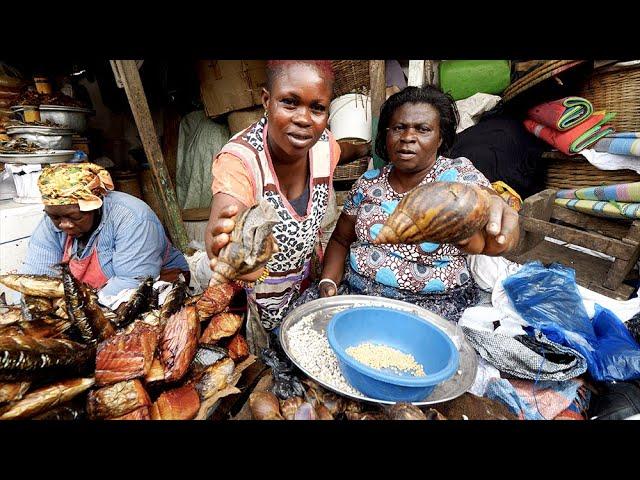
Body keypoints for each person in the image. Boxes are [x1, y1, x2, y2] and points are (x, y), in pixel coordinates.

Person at [314, 85, 520, 322]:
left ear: (440, 137)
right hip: (358, 293)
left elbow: (489, 202)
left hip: (433, 306)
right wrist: (328, 281)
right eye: (399, 128)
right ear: (386, 135)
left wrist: (502, 227)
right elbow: (341, 239)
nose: (408, 137)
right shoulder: (368, 183)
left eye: (423, 129)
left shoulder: (457, 175)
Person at [206, 60, 366, 336]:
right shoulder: (240, 161)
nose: (304, 118)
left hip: (303, 285)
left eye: (317, 108)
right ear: (266, 100)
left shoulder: (323, 147)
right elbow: (226, 215)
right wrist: (225, 248)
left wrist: (367, 149)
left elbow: (344, 150)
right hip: (250, 302)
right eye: (290, 103)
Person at [20, 162, 189, 301]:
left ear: (95, 205)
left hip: (150, 286)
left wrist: (79, 306)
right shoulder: (52, 222)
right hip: (91, 297)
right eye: (55, 217)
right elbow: (37, 278)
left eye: (74, 217)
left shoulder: (132, 218)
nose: (64, 225)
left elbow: (133, 282)